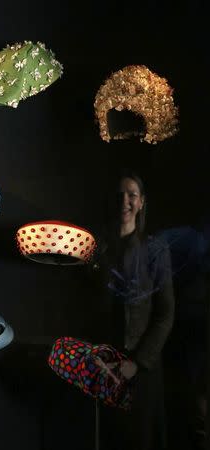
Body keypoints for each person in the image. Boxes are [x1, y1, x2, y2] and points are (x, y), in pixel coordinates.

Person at [88, 170, 175, 450]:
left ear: (141, 203)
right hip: (105, 367)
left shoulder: (155, 250)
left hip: (142, 371)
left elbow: (165, 313)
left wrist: (137, 362)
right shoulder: (98, 248)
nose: (125, 201)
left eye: (132, 195)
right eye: (120, 195)